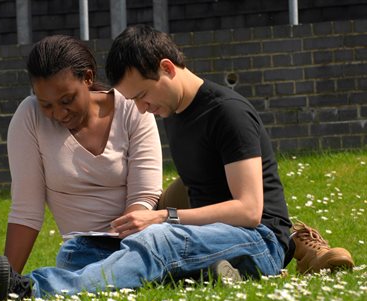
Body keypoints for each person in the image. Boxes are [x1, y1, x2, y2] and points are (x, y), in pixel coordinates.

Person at [0, 34, 235, 301]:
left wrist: (132, 246)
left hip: (144, 233)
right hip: (86, 245)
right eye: (46, 104)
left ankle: (169, 268)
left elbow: (145, 193)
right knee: (81, 259)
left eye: (67, 100)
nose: (58, 114)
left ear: (88, 78)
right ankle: (198, 273)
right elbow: (27, 211)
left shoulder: (131, 105)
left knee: (160, 239)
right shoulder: (29, 118)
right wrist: (7, 281)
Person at [104, 24, 354, 277]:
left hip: (259, 239)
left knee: (160, 239)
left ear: (167, 68)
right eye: (133, 100)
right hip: (207, 235)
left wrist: (164, 217)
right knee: (90, 247)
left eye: (142, 95)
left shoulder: (228, 112)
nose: (141, 109)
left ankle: (67, 286)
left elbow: (249, 211)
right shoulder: (173, 112)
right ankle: (219, 271)